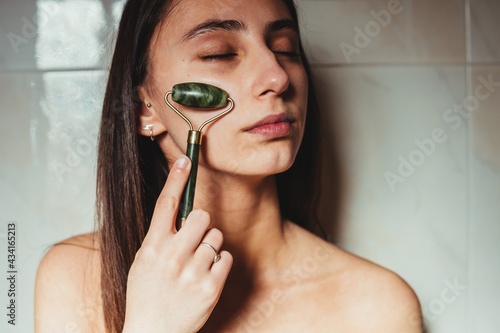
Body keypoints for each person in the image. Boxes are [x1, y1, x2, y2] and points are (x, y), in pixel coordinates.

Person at [34, 0, 423, 332]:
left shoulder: (375, 306)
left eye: (286, 48)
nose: (278, 76)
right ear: (142, 109)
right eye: (219, 53)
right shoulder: (75, 279)